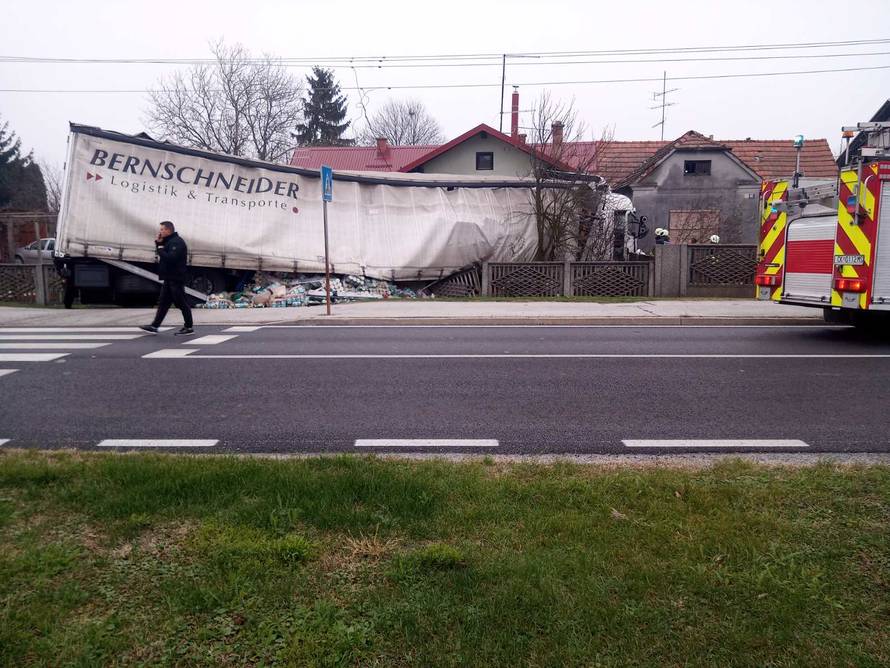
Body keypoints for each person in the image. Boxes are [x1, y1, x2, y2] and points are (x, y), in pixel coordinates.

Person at [140, 221, 194, 335]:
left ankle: (189, 327)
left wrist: (159, 247)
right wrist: (159, 243)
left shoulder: (177, 242)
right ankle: (155, 326)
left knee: (181, 303)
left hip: (176, 278)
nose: (160, 231)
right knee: (163, 303)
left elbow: (171, 258)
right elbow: (164, 252)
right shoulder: (170, 241)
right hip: (169, 278)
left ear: (169, 230)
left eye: (162, 229)